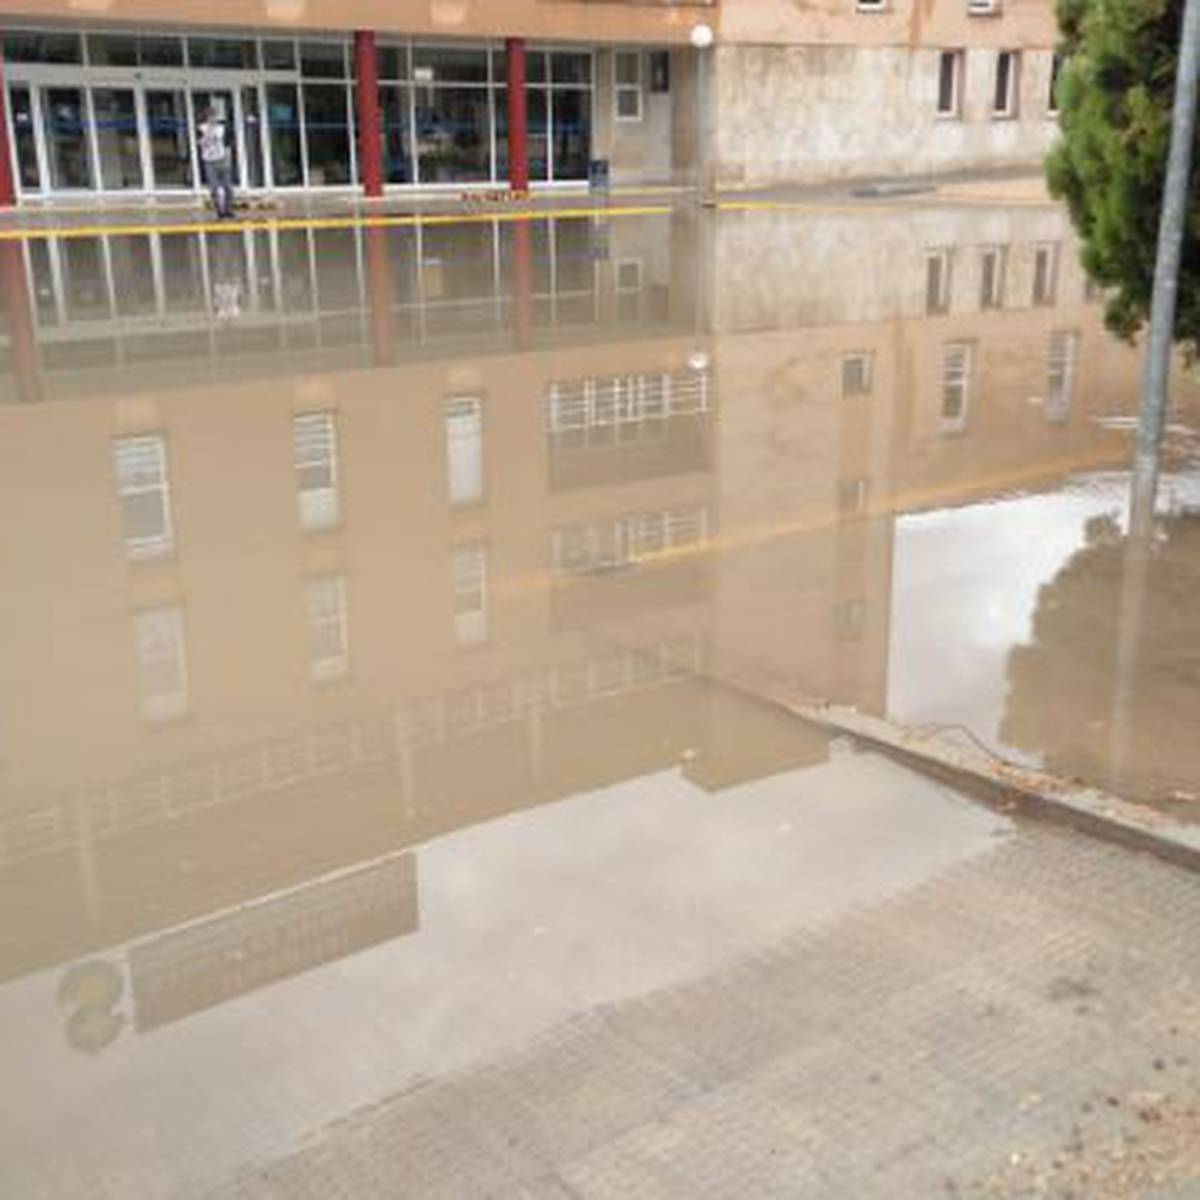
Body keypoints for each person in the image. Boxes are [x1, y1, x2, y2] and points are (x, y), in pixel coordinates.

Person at [197, 105, 235, 220]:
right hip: (209, 161)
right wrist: (208, 133)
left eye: (214, 117)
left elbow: (228, 144)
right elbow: (200, 143)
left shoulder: (222, 128)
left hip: (221, 158)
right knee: (214, 187)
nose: (212, 119)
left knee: (227, 187)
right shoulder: (201, 128)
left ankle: (228, 209)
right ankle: (219, 211)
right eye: (210, 117)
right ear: (207, 118)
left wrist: (228, 158)